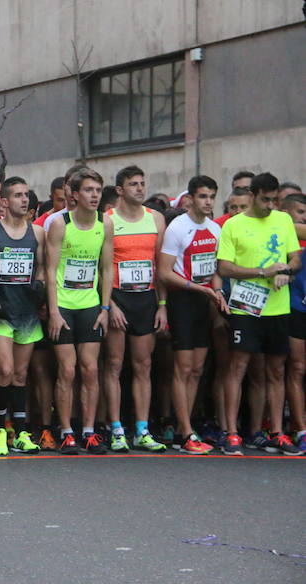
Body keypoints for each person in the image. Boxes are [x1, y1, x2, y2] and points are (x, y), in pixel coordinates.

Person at [216, 172, 303, 456]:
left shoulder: (283, 220)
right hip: (245, 306)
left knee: (276, 370)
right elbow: (225, 268)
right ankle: (231, 433)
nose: (269, 206)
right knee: (238, 367)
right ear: (252, 195)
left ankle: (276, 432)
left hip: (278, 307)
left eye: (273, 200)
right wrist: (261, 272)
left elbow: (295, 258)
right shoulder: (234, 225)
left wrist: (286, 272)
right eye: (265, 199)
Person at [45, 168, 114, 455]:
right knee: (68, 370)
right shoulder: (61, 224)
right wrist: (53, 311)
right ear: (74, 195)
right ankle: (66, 431)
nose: (95, 195)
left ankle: (88, 431)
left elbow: (107, 268)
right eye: (88, 190)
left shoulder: (105, 223)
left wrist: (105, 307)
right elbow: (49, 271)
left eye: (98, 190)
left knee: (90, 370)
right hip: (63, 305)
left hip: (90, 305)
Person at [0, 176, 44, 455]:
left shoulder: (37, 233)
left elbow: (43, 268)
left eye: (26, 195)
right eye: (17, 195)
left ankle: (21, 431)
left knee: (20, 374)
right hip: (0, 313)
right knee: (4, 369)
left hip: (27, 312)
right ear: (4, 201)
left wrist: (39, 288)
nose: (24, 200)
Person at [157, 175, 226, 454]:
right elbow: (163, 271)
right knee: (183, 368)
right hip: (183, 300)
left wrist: (216, 291)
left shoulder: (215, 229)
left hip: (205, 301)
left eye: (211, 196)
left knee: (198, 369)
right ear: (191, 199)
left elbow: (216, 269)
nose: (208, 202)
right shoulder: (177, 228)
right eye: (202, 196)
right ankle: (185, 433)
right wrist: (194, 287)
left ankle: (186, 427)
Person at [102, 166, 168, 453]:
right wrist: (110, 305)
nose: (140, 189)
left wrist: (162, 305)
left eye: (142, 183)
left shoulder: (156, 219)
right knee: (115, 364)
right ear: (119, 190)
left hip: (146, 298)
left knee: (144, 365)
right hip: (118, 297)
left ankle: (142, 428)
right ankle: (116, 428)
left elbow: (161, 266)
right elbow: (100, 268)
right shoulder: (107, 220)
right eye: (133, 184)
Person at [283, 193, 306, 450]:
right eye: (300, 211)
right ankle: (301, 430)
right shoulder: (279, 232)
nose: (304, 216)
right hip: (295, 307)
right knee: (297, 368)